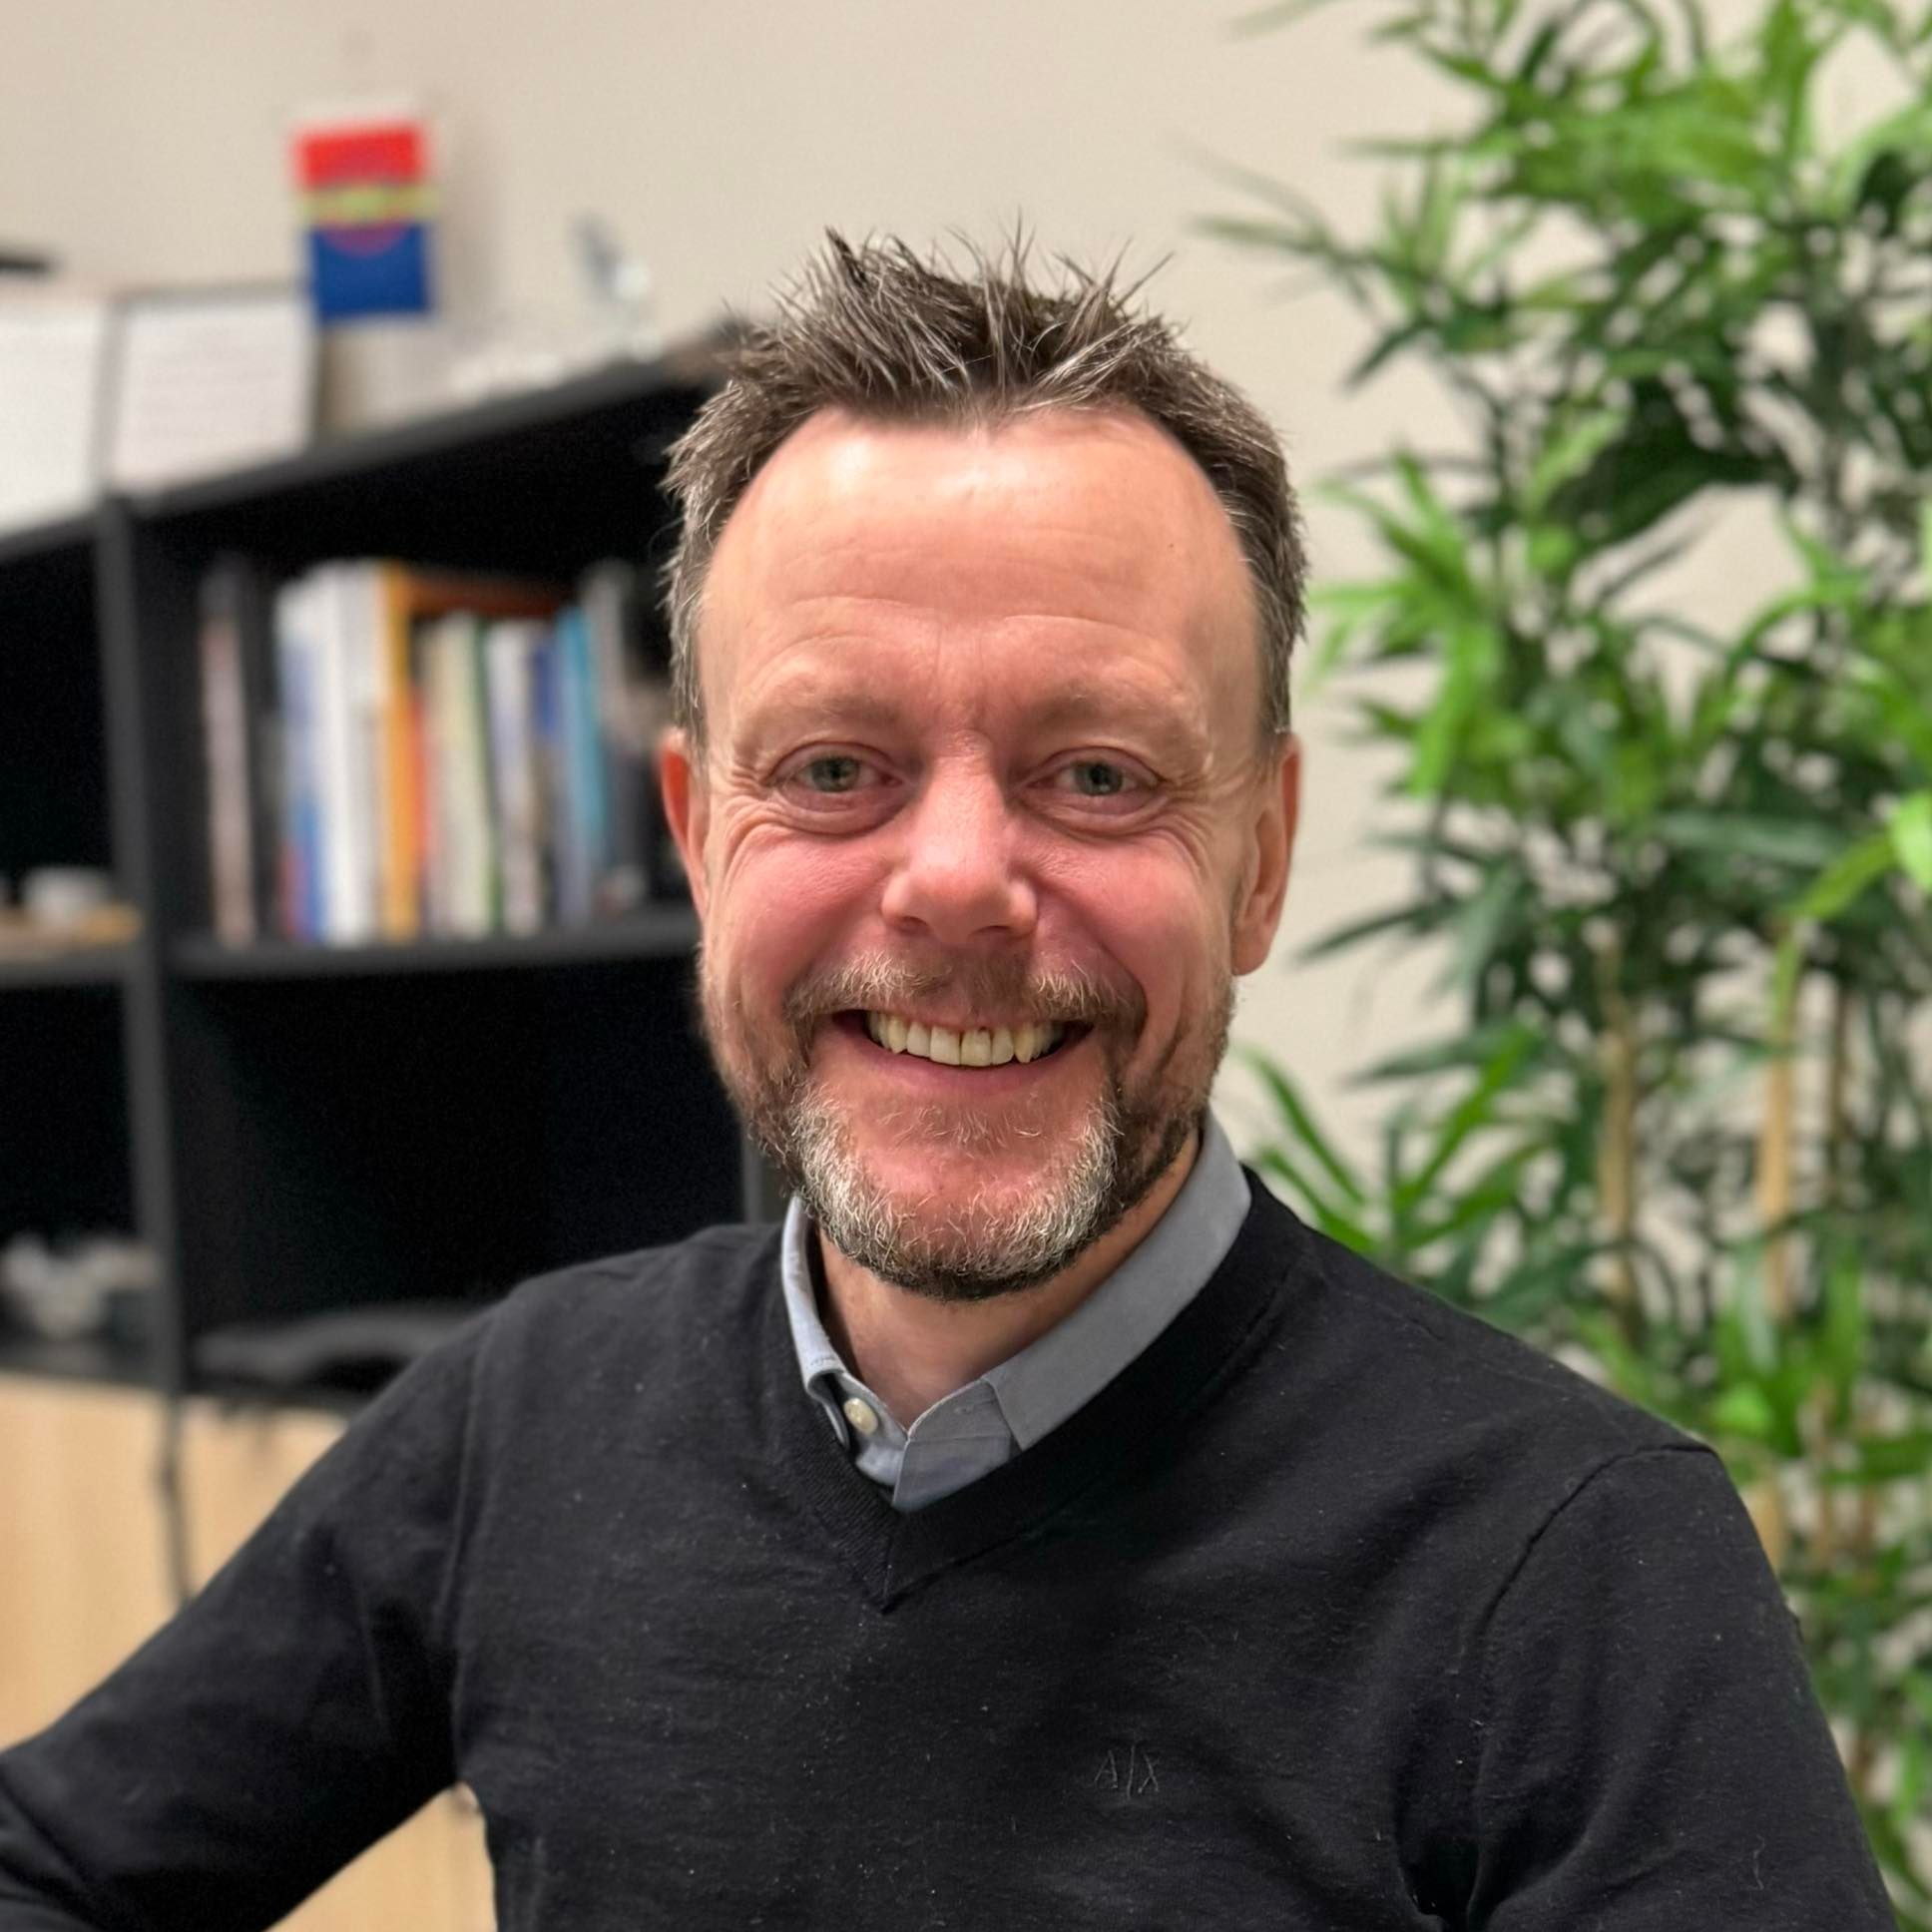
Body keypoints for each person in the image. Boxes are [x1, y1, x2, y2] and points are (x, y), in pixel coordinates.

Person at [0, 234, 1896, 1931]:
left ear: (1260, 857)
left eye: (1098, 774)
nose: (959, 882)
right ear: (698, 834)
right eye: (833, 768)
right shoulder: (522, 1421)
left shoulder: (1571, 1568)